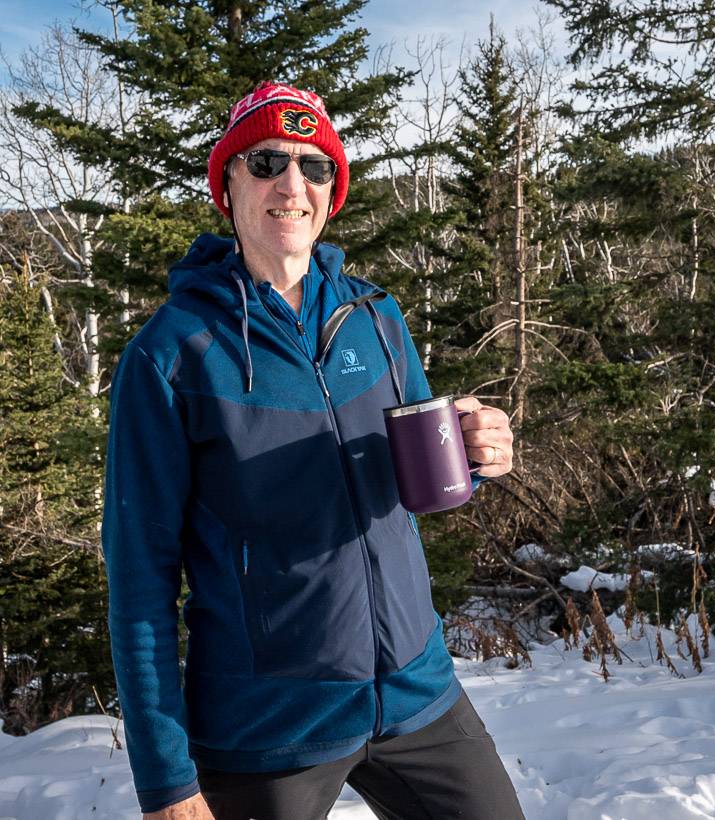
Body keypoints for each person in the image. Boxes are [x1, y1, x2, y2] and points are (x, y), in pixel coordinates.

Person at [102, 82, 525, 820]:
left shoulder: (376, 317)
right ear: (227, 185)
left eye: (315, 166)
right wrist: (166, 781)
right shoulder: (171, 356)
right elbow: (139, 580)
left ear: (333, 189)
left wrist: (480, 455)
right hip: (268, 728)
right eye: (266, 162)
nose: (292, 185)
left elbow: (424, 476)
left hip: (418, 697)